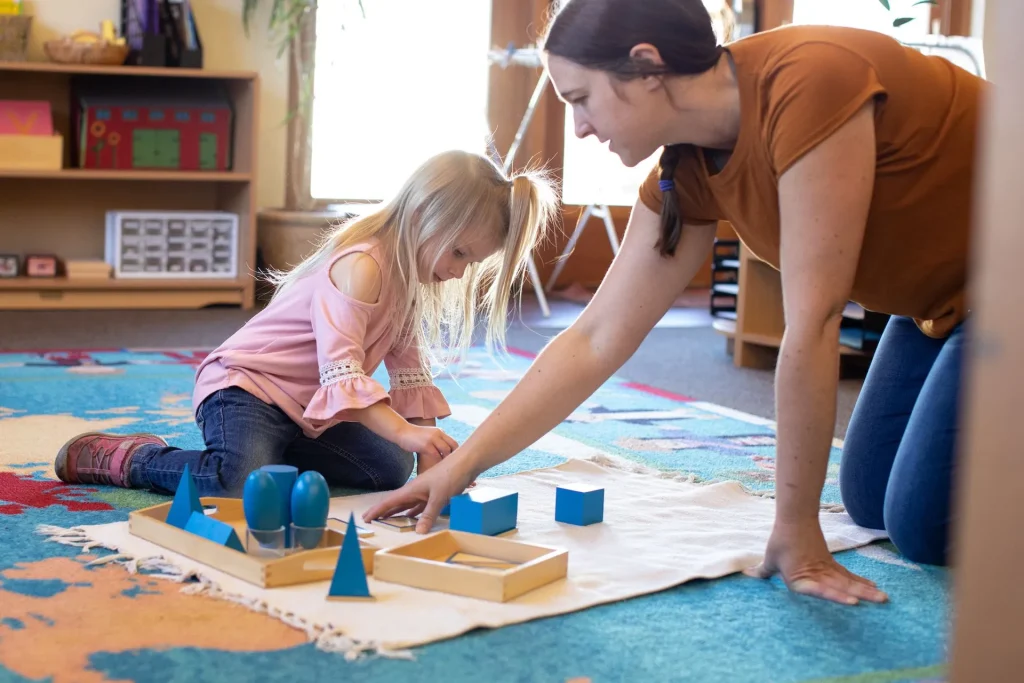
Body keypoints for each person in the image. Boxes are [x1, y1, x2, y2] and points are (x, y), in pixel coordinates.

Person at [365, 0, 984, 606]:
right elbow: (595, 337)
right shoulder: (684, 170)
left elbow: (814, 325)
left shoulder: (808, 81)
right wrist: (461, 466)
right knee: (870, 499)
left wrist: (798, 533)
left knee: (922, 527)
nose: (578, 127)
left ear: (646, 67)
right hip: (933, 304)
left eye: (580, 99)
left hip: (1003, 282)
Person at [53, 150, 558, 498]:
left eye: (471, 263)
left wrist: (431, 461)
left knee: (389, 468)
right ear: (423, 214)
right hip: (245, 389)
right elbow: (343, 376)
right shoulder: (361, 266)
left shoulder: (411, 283)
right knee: (237, 485)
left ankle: (271, 456)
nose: (457, 271)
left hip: (307, 412)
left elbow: (410, 379)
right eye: (460, 253)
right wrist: (407, 434)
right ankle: (133, 458)